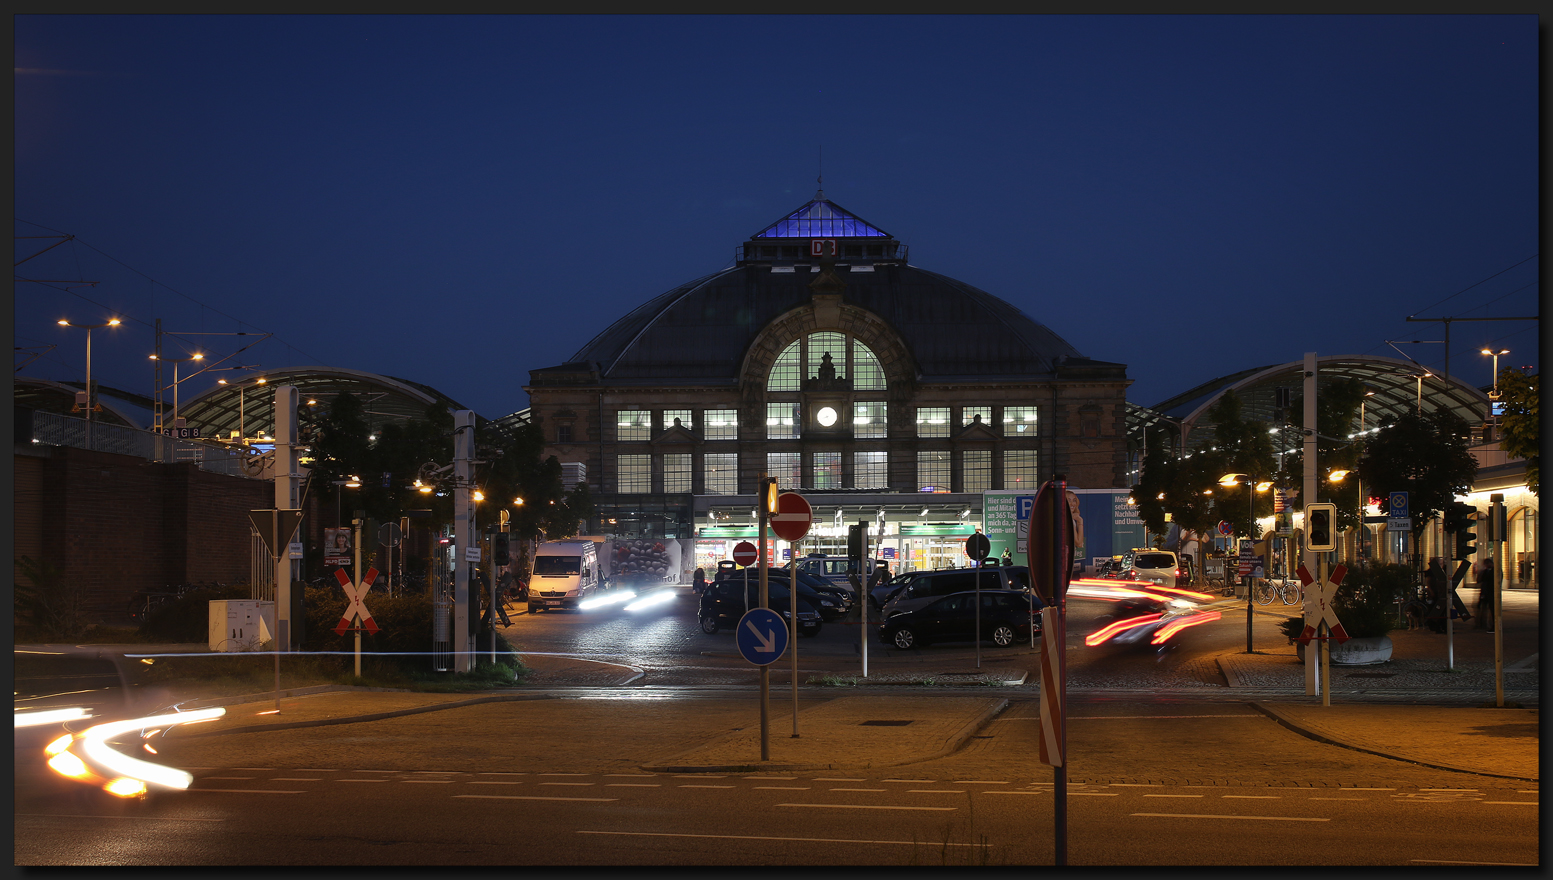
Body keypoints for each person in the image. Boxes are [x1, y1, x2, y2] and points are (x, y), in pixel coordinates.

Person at [1424, 558, 1447, 633]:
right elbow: (1428, 582)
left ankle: (1443, 626)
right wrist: (1431, 591)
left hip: (1441, 593)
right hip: (1435, 593)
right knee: (1436, 609)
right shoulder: (1430, 572)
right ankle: (1436, 626)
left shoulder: (1443, 571)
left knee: (1443, 610)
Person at [1475, 556, 1495, 631]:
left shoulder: (1494, 571)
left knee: (1493, 610)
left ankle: (1493, 625)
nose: (1485, 566)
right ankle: (1482, 624)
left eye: (1486, 564)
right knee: (1482, 608)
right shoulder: (1486, 571)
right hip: (1485, 593)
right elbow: (1480, 580)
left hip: (1491, 593)